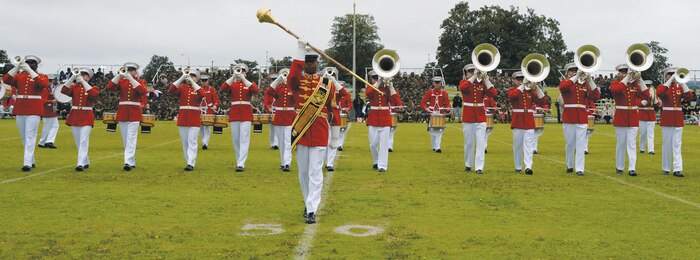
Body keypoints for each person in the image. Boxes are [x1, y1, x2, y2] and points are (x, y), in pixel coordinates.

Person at [287, 40, 339, 224]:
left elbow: (333, 110)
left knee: (315, 172)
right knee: (303, 172)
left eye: (312, 62)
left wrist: (335, 136)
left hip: (319, 131)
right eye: (306, 62)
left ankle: (311, 209)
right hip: (301, 132)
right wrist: (300, 50)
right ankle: (308, 202)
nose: (309, 64)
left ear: (318, 63)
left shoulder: (327, 84)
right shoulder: (297, 81)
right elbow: (292, 76)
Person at [3, 55, 50, 172]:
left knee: (30, 135)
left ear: (36, 65)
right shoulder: (19, 76)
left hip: (34, 108)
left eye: (31, 63)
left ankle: (27, 163)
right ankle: (31, 160)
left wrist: (29, 70)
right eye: (27, 62)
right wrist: (17, 67)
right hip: (20, 107)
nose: (29, 64)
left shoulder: (42, 76)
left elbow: (43, 85)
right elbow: (6, 80)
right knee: (24, 136)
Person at [559, 62, 600, 176]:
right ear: (567, 73)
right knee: (570, 143)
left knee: (581, 143)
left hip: (581, 116)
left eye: (576, 70)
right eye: (572, 71)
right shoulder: (566, 83)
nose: (574, 72)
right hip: (569, 117)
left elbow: (596, 96)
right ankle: (570, 165)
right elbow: (563, 87)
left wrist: (590, 80)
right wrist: (576, 76)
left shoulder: (584, 85)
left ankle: (580, 168)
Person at [106, 62, 148, 171]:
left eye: (131, 70)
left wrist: (131, 79)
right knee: (126, 139)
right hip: (123, 112)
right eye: (127, 70)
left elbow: (143, 91)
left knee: (131, 138)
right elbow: (109, 87)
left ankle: (127, 162)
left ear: (135, 71)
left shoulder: (140, 81)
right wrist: (119, 75)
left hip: (134, 113)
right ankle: (131, 161)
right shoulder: (121, 82)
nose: (129, 72)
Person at [610, 64, 650, 176]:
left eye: (625, 72)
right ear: (618, 73)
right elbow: (616, 90)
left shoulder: (634, 84)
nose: (623, 74)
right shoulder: (615, 83)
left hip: (632, 117)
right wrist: (627, 78)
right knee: (621, 143)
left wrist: (640, 80)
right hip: (621, 117)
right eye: (621, 72)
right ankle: (620, 166)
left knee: (632, 143)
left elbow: (647, 95)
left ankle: (632, 168)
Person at [458, 64, 497, 174]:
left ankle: (479, 167)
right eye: (470, 72)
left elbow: (493, 93)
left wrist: (487, 80)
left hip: (480, 116)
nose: (472, 73)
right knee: (469, 143)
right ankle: (468, 165)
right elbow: (462, 88)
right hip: (468, 116)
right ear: (467, 73)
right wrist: (474, 77)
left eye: (474, 71)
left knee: (481, 142)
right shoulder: (464, 82)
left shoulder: (482, 84)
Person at [657, 67, 695, 177]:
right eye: (670, 74)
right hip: (667, 119)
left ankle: (677, 169)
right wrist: (670, 81)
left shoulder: (679, 87)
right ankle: (666, 167)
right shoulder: (663, 87)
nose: (673, 76)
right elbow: (660, 93)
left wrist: (682, 82)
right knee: (667, 144)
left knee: (677, 144)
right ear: (666, 76)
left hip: (678, 119)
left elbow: (689, 97)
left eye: (674, 74)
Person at [221, 63, 259, 172]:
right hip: (235, 113)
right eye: (239, 70)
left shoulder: (250, 83)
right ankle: (239, 160)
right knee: (236, 139)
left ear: (246, 73)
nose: (240, 72)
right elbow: (223, 88)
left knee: (244, 138)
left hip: (246, 113)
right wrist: (233, 76)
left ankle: (241, 163)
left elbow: (256, 91)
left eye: (243, 70)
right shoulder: (232, 84)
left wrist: (243, 79)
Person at [60, 68, 99, 171]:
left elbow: (94, 95)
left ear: (89, 77)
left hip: (87, 115)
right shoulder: (74, 87)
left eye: (84, 75)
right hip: (75, 115)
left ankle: (80, 163)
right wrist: (73, 77)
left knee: (83, 140)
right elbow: (63, 90)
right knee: (78, 141)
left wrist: (83, 82)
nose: (82, 76)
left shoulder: (92, 87)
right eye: (81, 74)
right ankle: (85, 161)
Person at [508, 71, 545, 174]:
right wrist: (523, 85)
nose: (520, 81)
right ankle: (518, 166)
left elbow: (542, 101)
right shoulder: (513, 90)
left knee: (528, 145)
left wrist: (537, 87)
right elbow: (513, 96)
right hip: (518, 120)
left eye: (522, 79)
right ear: (514, 80)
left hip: (529, 120)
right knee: (518, 145)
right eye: (518, 79)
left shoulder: (530, 91)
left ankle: (528, 167)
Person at [169, 69, 206, 171]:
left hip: (194, 119)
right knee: (185, 142)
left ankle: (191, 163)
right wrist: (182, 77)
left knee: (192, 141)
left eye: (193, 76)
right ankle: (188, 161)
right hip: (183, 118)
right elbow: (171, 89)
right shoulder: (182, 88)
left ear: (197, 79)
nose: (190, 77)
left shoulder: (198, 88)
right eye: (189, 76)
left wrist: (193, 82)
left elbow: (203, 94)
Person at [364, 70, 396, 172]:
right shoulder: (371, 87)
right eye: (374, 78)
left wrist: (391, 87)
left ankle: (382, 166)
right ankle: (376, 161)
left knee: (384, 144)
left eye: (377, 78)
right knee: (373, 144)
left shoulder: (386, 88)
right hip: (373, 118)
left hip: (385, 118)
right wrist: (377, 83)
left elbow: (395, 102)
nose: (375, 79)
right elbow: (368, 93)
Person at [266, 70, 295, 172]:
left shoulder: (293, 88)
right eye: (284, 75)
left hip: (290, 117)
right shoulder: (278, 88)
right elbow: (269, 91)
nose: (285, 77)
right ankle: (283, 162)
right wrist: (278, 80)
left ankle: (287, 163)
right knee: (281, 142)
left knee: (287, 141)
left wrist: (291, 82)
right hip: (279, 116)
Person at [324, 68, 348, 172]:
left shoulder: (337, 86)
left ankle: (330, 164)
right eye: (329, 73)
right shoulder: (322, 85)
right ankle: (323, 161)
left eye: (333, 74)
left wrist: (334, 81)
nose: (331, 75)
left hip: (335, 115)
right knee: (324, 140)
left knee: (334, 140)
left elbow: (345, 94)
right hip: (324, 114)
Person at [420, 76, 451, 153]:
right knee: (432, 130)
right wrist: (427, 109)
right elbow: (423, 103)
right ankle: (434, 146)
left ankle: (438, 147)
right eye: (436, 83)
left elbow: (447, 103)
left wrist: (447, 108)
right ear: (433, 83)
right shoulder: (429, 92)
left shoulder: (444, 93)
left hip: (440, 113)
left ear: (441, 83)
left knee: (440, 130)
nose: (437, 84)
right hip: (432, 113)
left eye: (439, 83)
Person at [199, 74, 220, 150]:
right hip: (199, 109)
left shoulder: (212, 89)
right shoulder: (198, 89)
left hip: (209, 110)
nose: (204, 82)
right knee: (200, 127)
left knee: (207, 126)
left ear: (208, 81)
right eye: (202, 81)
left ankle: (205, 143)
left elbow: (216, 100)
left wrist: (215, 105)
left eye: (205, 81)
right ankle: (203, 142)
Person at [638, 80, 659, 155]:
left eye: (649, 86)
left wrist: (655, 100)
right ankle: (642, 148)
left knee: (651, 134)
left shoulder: (653, 93)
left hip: (651, 115)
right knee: (642, 133)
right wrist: (642, 102)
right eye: (646, 85)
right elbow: (637, 102)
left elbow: (657, 105)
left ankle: (651, 150)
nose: (647, 87)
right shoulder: (640, 93)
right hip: (642, 114)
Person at [38, 83, 59, 149]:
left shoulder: (48, 89)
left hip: (51, 110)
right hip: (47, 110)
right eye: (49, 80)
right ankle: (42, 142)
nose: (50, 82)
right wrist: (52, 101)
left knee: (55, 126)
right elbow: (42, 101)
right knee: (47, 127)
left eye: (51, 80)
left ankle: (49, 141)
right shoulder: (45, 89)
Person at [263, 78, 279, 150]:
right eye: (272, 80)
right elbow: (266, 101)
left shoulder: (280, 88)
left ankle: (276, 143)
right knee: (272, 128)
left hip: (279, 110)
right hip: (271, 110)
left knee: (278, 127)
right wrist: (268, 108)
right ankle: (272, 143)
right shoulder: (268, 90)